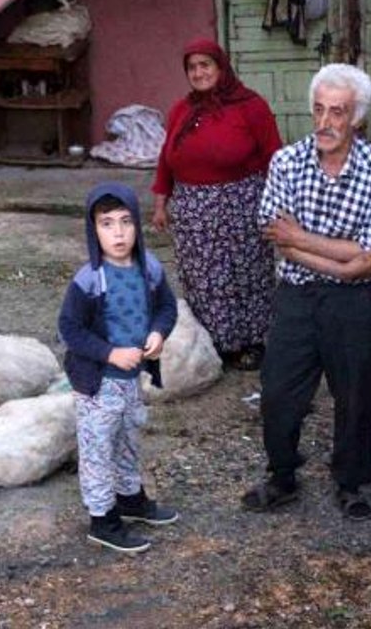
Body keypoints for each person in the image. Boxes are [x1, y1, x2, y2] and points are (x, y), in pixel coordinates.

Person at [241, 63, 371, 521]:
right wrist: (338, 260)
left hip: (358, 303)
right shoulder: (287, 162)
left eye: (338, 112)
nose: (325, 123)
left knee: (354, 393)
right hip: (297, 294)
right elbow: (278, 235)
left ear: (357, 118)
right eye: (319, 110)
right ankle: (282, 476)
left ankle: (351, 483)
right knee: (278, 390)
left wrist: (303, 242)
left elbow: (370, 261)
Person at [58, 182, 180, 554]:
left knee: (128, 438)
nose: (119, 233)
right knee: (97, 448)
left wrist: (159, 333)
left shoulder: (150, 269)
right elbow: (70, 328)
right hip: (98, 383)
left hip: (131, 381)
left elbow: (167, 308)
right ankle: (102, 519)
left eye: (126, 222)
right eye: (107, 224)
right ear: (93, 230)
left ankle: (130, 497)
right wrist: (109, 353)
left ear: (138, 226)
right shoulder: (89, 280)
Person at [151, 38, 282, 371]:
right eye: (192, 67)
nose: (198, 72)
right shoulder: (182, 109)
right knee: (202, 276)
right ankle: (213, 342)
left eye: (205, 65)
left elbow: (274, 158)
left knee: (244, 274)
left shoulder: (251, 106)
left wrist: (281, 206)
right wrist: (160, 203)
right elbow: (167, 160)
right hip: (193, 208)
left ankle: (249, 342)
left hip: (240, 204)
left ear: (221, 67)